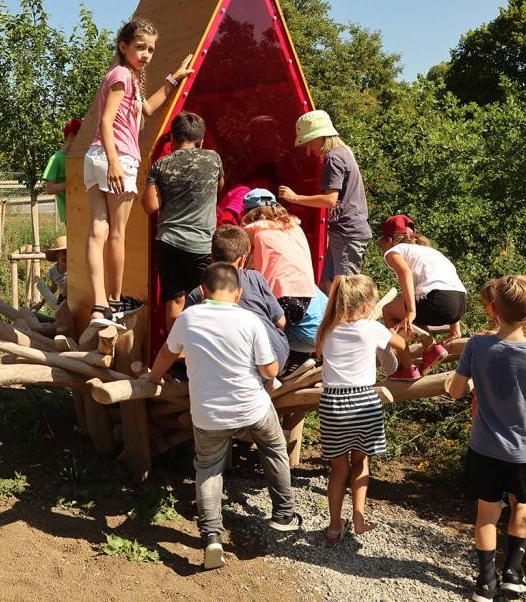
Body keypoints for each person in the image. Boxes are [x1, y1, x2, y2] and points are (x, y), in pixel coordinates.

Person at [146, 263, 302, 570]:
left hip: (208, 413)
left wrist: (153, 379)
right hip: (251, 407)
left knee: (208, 468)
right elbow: (269, 371)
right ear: (239, 293)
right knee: (273, 449)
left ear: (202, 291)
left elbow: (167, 354)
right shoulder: (249, 320)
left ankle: (211, 537)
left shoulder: (188, 317)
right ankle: (284, 513)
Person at [447, 275, 526, 602]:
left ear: (493, 309)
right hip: (524, 449)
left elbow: (456, 390)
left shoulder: (477, 345)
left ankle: (485, 583)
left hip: (484, 447)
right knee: (522, 504)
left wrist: (467, 385)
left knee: (487, 513)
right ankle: (513, 573)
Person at [84, 19, 194, 329]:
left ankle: (99, 306)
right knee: (116, 234)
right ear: (123, 46)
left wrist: (173, 79)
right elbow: (106, 121)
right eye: (140, 47)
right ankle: (114, 302)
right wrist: (116, 161)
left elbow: (147, 109)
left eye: (151, 49)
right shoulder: (122, 75)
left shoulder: (127, 77)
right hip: (116, 156)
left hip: (95, 158)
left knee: (98, 233)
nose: (146, 54)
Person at [315, 274, 405, 543]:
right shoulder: (372, 328)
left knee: (338, 467)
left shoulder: (327, 329)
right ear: (367, 307)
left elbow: (320, 354)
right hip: (364, 402)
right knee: (361, 461)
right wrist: (400, 336)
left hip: (332, 403)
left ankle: (333, 527)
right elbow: (400, 346)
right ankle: (358, 515)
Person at [142, 111, 223, 331]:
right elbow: (220, 186)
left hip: (169, 242)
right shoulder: (213, 158)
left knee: (175, 300)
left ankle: (175, 357)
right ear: (201, 140)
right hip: (201, 244)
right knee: (207, 300)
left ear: (173, 139)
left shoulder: (161, 165)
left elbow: (150, 206)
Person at [278, 110, 372, 290]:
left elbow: (330, 200)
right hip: (344, 231)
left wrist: (294, 198)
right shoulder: (344, 152)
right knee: (326, 286)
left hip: (347, 232)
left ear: (318, 138)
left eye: (308, 143)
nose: (308, 150)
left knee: (344, 290)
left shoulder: (333, 157)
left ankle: (350, 319)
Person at [184, 225, 289, 371]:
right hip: (276, 356)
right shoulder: (255, 278)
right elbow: (281, 322)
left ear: (211, 257)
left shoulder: (199, 293)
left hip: (231, 362)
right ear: (242, 259)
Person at [378, 214, 468, 380]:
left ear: (388, 240)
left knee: (389, 311)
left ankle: (408, 368)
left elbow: (404, 272)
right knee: (406, 310)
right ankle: (430, 349)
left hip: (438, 300)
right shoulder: (430, 252)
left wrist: (411, 312)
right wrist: (454, 326)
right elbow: (448, 282)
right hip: (460, 304)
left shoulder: (393, 251)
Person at [241, 189, 323, 372]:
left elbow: (242, 265)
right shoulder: (294, 227)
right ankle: (298, 359)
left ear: (252, 213)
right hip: (307, 294)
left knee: (257, 318)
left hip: (284, 295)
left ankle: (277, 366)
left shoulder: (255, 231)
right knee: (286, 320)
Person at [44, 118, 82, 224]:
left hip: (82, 210)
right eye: (81, 138)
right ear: (71, 136)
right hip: (69, 214)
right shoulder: (56, 159)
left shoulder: (78, 158)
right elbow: (50, 189)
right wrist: (72, 184)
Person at [44, 235, 68, 304]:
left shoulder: (75, 269)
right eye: (65, 252)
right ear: (57, 254)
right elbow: (54, 287)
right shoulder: (53, 272)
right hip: (64, 304)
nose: (67, 255)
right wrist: (41, 303)